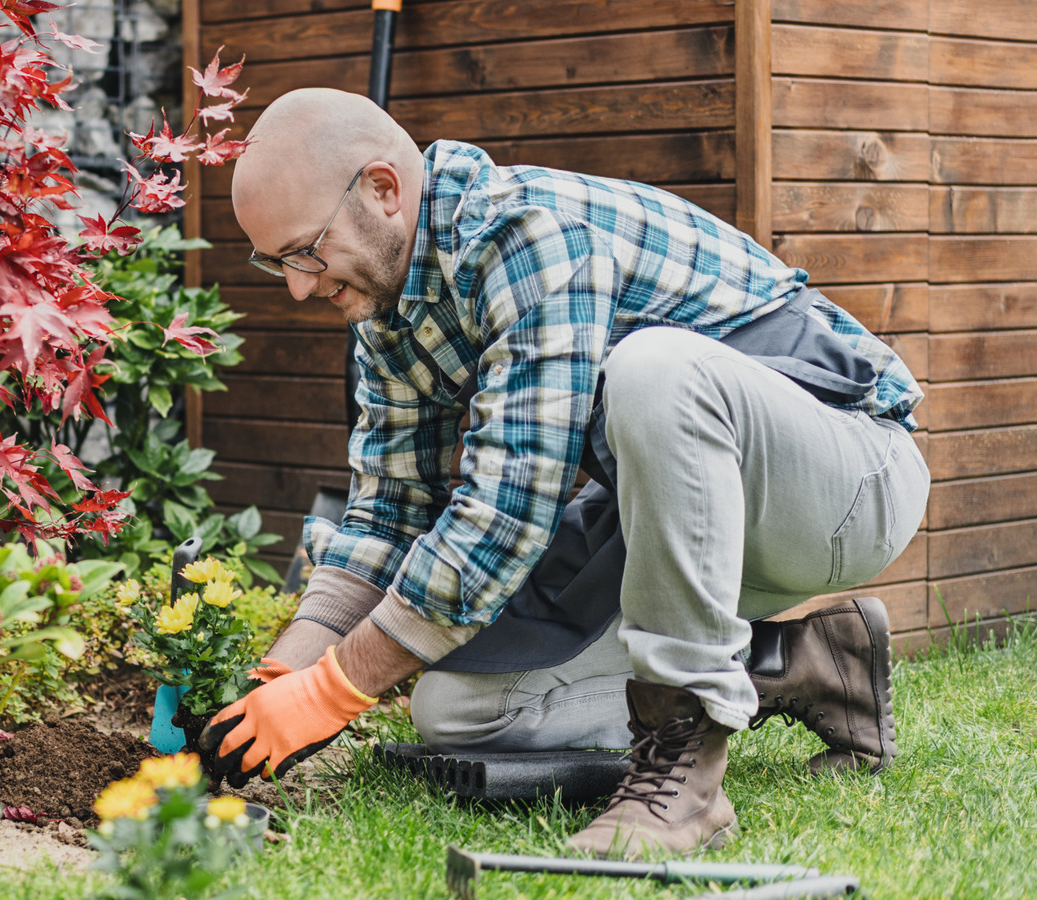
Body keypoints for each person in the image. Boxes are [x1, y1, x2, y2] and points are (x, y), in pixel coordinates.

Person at [199, 88, 930, 859]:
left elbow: (505, 516)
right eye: (277, 261)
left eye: (305, 252)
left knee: (656, 370)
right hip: (675, 523)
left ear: (384, 190)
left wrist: (334, 691)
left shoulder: (527, 232)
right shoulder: (388, 309)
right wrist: (286, 671)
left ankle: (684, 773)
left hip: (847, 482)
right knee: (457, 708)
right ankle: (802, 662)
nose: (299, 286)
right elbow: (390, 512)